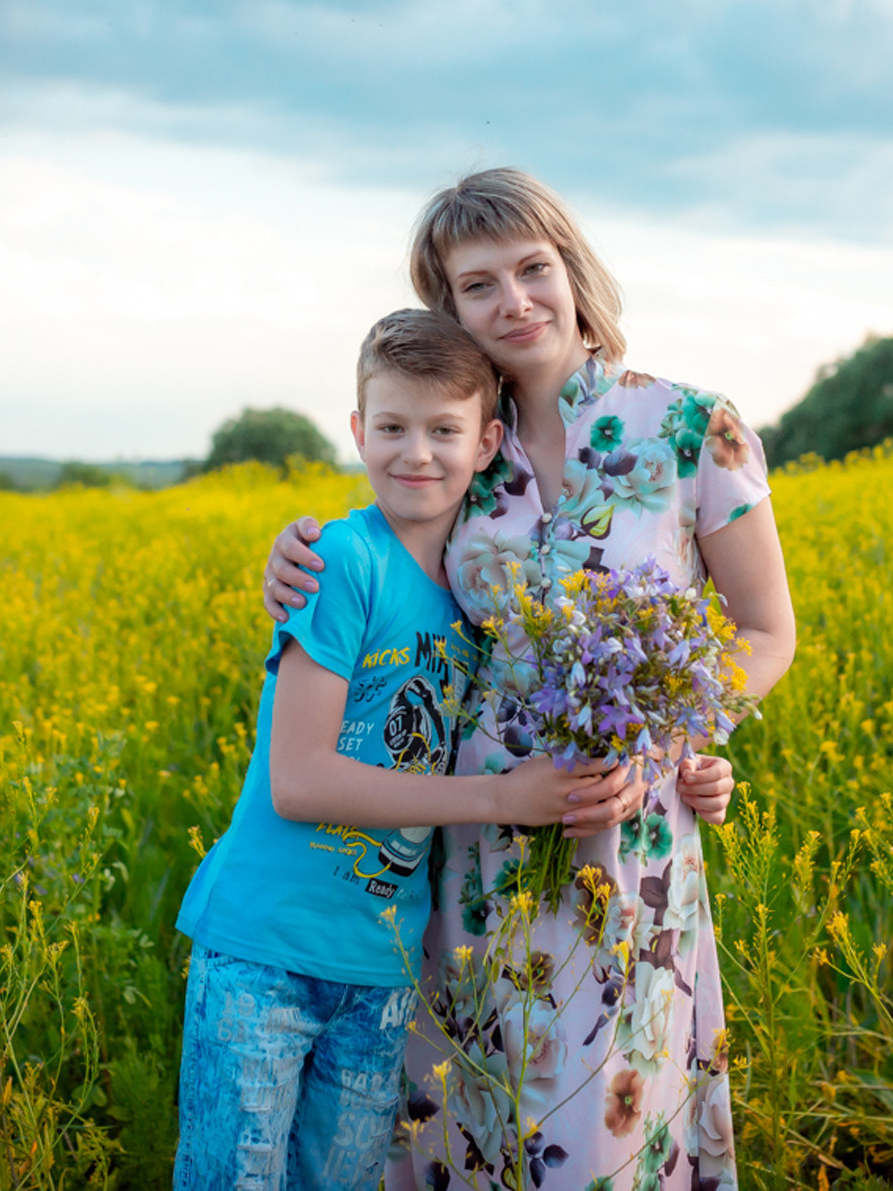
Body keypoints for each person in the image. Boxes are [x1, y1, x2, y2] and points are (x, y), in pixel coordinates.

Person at [260, 169, 796, 1189]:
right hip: (473, 848)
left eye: (531, 268)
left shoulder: (691, 427)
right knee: (471, 1110)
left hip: (624, 836)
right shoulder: (465, 442)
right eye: (476, 284)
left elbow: (765, 629)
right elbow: (374, 564)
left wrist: (676, 736)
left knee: (602, 1121)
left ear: (571, 270)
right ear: (447, 307)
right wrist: (292, 556)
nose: (513, 300)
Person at [175, 310, 643, 1191]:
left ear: (487, 440)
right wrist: (503, 801)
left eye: (443, 431)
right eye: (390, 428)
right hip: (266, 952)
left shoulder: (480, 602)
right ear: (358, 432)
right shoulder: (340, 561)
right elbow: (301, 780)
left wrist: (689, 762)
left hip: (383, 966)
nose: (415, 453)